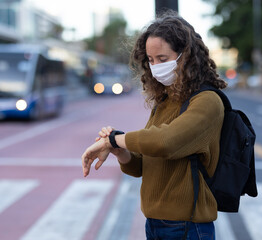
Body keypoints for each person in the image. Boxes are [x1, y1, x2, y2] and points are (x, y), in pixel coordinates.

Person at [81, 11, 227, 240]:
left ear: (186, 56)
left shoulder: (207, 101)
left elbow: (165, 142)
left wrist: (113, 139)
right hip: (155, 225)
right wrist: (120, 151)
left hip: (187, 227)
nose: (155, 66)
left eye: (162, 59)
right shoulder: (166, 100)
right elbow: (140, 167)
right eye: (150, 60)